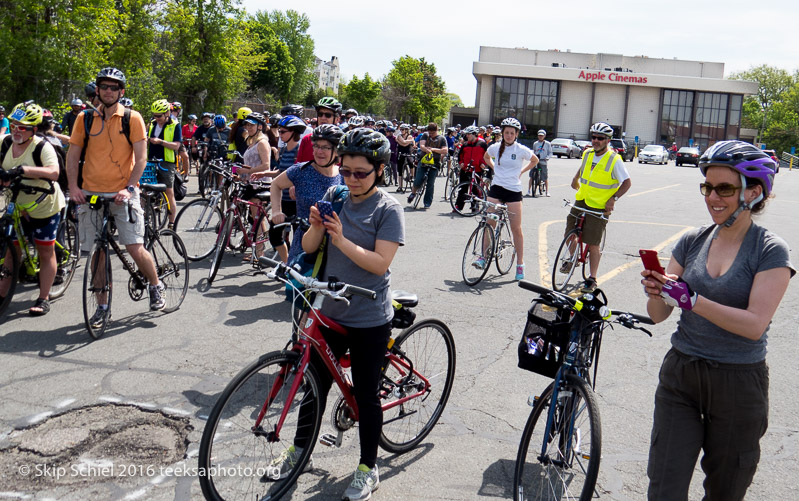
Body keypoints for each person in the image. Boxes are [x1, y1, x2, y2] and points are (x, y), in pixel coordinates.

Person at [641, 140, 794, 501]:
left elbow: (754, 324)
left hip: (738, 383)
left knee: (726, 490)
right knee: (665, 485)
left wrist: (692, 300)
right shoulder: (693, 240)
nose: (712, 197)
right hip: (682, 373)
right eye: (707, 187)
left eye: (724, 188)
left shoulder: (771, 250)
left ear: (753, 192)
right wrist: (656, 292)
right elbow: (659, 315)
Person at [274, 127, 403, 501]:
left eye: (360, 172)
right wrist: (316, 227)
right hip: (330, 309)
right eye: (345, 170)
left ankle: (368, 467)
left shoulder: (388, 209)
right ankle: (297, 451)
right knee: (313, 384)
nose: (350, 179)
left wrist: (342, 237)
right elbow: (312, 248)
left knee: (365, 395)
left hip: (368, 315)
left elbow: (380, 264)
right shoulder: (337, 194)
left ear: (379, 170)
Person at [66, 67, 166, 323]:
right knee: (96, 252)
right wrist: (74, 188)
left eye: (114, 87)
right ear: (97, 90)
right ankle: (102, 306)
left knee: (134, 246)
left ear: (121, 92)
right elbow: (73, 155)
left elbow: (141, 157)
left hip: (124, 192)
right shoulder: (84, 119)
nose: (108, 91)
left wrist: (130, 188)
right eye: (104, 87)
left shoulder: (132, 118)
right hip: (90, 193)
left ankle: (155, 285)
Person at [0, 102, 66, 316]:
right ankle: (2, 296)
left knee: (45, 250)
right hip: (16, 204)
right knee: (12, 250)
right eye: (14, 124)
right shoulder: (5, 143)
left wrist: (22, 170)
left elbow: (54, 172)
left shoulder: (41, 146)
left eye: (23, 127)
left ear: (34, 129)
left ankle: (43, 297)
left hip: (43, 204)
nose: (17, 130)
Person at [564, 122, 631, 291]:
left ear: (608, 140)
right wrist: (575, 178)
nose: (596, 141)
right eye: (594, 137)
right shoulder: (587, 153)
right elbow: (585, 166)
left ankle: (592, 278)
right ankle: (572, 258)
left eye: (600, 138)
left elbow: (627, 182)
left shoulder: (614, 159)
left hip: (599, 206)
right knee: (569, 234)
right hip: (582, 199)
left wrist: (613, 198)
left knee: (593, 244)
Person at [260, 115, 323, 263]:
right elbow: (281, 172)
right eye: (279, 132)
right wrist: (264, 173)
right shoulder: (282, 151)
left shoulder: (298, 151)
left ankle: (296, 268)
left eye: (283, 132)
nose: (279, 135)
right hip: (283, 200)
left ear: (294, 132)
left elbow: (296, 174)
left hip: (296, 202)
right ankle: (286, 262)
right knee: (274, 236)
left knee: (299, 238)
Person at [482, 117, 537, 280]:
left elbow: (535, 160)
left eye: (512, 133)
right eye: (506, 133)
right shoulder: (495, 147)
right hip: (496, 189)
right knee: (488, 223)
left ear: (516, 134)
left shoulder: (521, 149)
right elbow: (486, 157)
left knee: (516, 228)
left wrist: (521, 171)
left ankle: (520, 264)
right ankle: (483, 257)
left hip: (513, 191)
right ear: (502, 133)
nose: (508, 135)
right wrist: (494, 168)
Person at [236, 112, 278, 261]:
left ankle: (259, 253)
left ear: (260, 126)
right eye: (247, 125)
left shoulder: (262, 142)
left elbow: (266, 165)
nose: (249, 127)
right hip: (250, 182)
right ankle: (262, 246)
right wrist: (242, 174)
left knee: (256, 217)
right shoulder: (251, 142)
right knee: (257, 217)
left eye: (252, 125)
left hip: (261, 183)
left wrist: (248, 171)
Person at [146, 99, 182, 227]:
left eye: (159, 116)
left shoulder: (174, 125)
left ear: (167, 113)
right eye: (154, 115)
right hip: (151, 160)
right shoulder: (152, 124)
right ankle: (146, 218)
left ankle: (171, 222)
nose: (157, 118)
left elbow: (176, 146)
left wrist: (160, 142)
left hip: (166, 162)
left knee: (168, 191)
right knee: (145, 190)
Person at [407, 123, 447, 209]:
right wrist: (426, 149)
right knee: (418, 180)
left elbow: (445, 150)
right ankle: (413, 193)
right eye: (430, 133)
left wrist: (433, 150)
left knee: (430, 183)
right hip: (424, 161)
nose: (431, 135)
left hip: (435, 163)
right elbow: (421, 146)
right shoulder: (425, 135)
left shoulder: (442, 139)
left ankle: (427, 202)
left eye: (432, 133)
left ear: (436, 131)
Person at [454, 126, 488, 212]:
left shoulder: (482, 144)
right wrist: (461, 162)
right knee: (463, 188)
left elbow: (487, 156)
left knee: (475, 189)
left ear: (474, 134)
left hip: (477, 169)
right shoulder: (465, 144)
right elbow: (460, 156)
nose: (467, 136)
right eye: (466, 134)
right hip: (465, 169)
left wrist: (483, 164)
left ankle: (475, 206)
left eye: (469, 134)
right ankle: (458, 206)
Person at [296, 97, 341, 163]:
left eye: (328, 115)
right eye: (320, 114)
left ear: (337, 119)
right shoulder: (307, 139)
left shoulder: (343, 142)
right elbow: (298, 167)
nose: (323, 118)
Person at [529, 129, 553, 197]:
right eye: (539, 135)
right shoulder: (535, 143)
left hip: (543, 160)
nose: (540, 137)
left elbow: (550, 152)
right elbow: (533, 151)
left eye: (542, 136)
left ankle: (547, 191)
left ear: (544, 136)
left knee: (545, 177)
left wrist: (548, 157)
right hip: (536, 160)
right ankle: (529, 190)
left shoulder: (547, 144)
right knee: (531, 175)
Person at [395, 124, 414, 193]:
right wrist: (410, 141)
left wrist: (400, 142)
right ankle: (400, 186)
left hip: (408, 152)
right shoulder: (399, 136)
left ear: (406, 130)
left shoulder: (409, 136)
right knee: (400, 170)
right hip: (400, 153)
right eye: (401, 129)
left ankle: (412, 176)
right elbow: (403, 143)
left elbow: (404, 143)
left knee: (411, 162)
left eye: (403, 129)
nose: (401, 131)